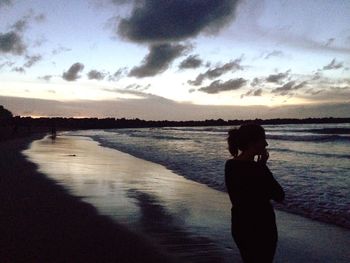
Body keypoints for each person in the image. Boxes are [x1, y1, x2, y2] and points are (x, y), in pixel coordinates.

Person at [225, 124, 284, 263]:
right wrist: (262, 166)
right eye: (263, 139)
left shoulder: (230, 165)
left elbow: (240, 196)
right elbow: (279, 195)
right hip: (262, 227)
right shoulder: (258, 169)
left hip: (240, 225)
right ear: (252, 143)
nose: (266, 143)